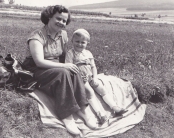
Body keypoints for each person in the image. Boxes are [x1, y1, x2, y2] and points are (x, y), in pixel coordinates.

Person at [22, 5, 97, 135]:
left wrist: (72, 67)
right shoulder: (37, 36)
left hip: (55, 66)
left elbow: (62, 57)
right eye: (58, 18)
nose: (61, 22)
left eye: (64, 20)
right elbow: (39, 62)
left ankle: (83, 111)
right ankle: (67, 116)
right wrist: (64, 66)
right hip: (36, 69)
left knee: (73, 70)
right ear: (49, 17)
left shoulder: (63, 34)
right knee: (63, 72)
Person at [65, 29, 127, 121]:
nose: (80, 44)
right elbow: (69, 67)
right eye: (77, 41)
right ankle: (100, 114)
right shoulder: (70, 53)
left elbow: (93, 67)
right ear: (72, 41)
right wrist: (78, 76)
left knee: (101, 89)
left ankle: (114, 107)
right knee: (90, 92)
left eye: (83, 42)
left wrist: (95, 77)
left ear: (87, 43)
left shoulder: (88, 53)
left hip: (90, 77)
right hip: (79, 78)